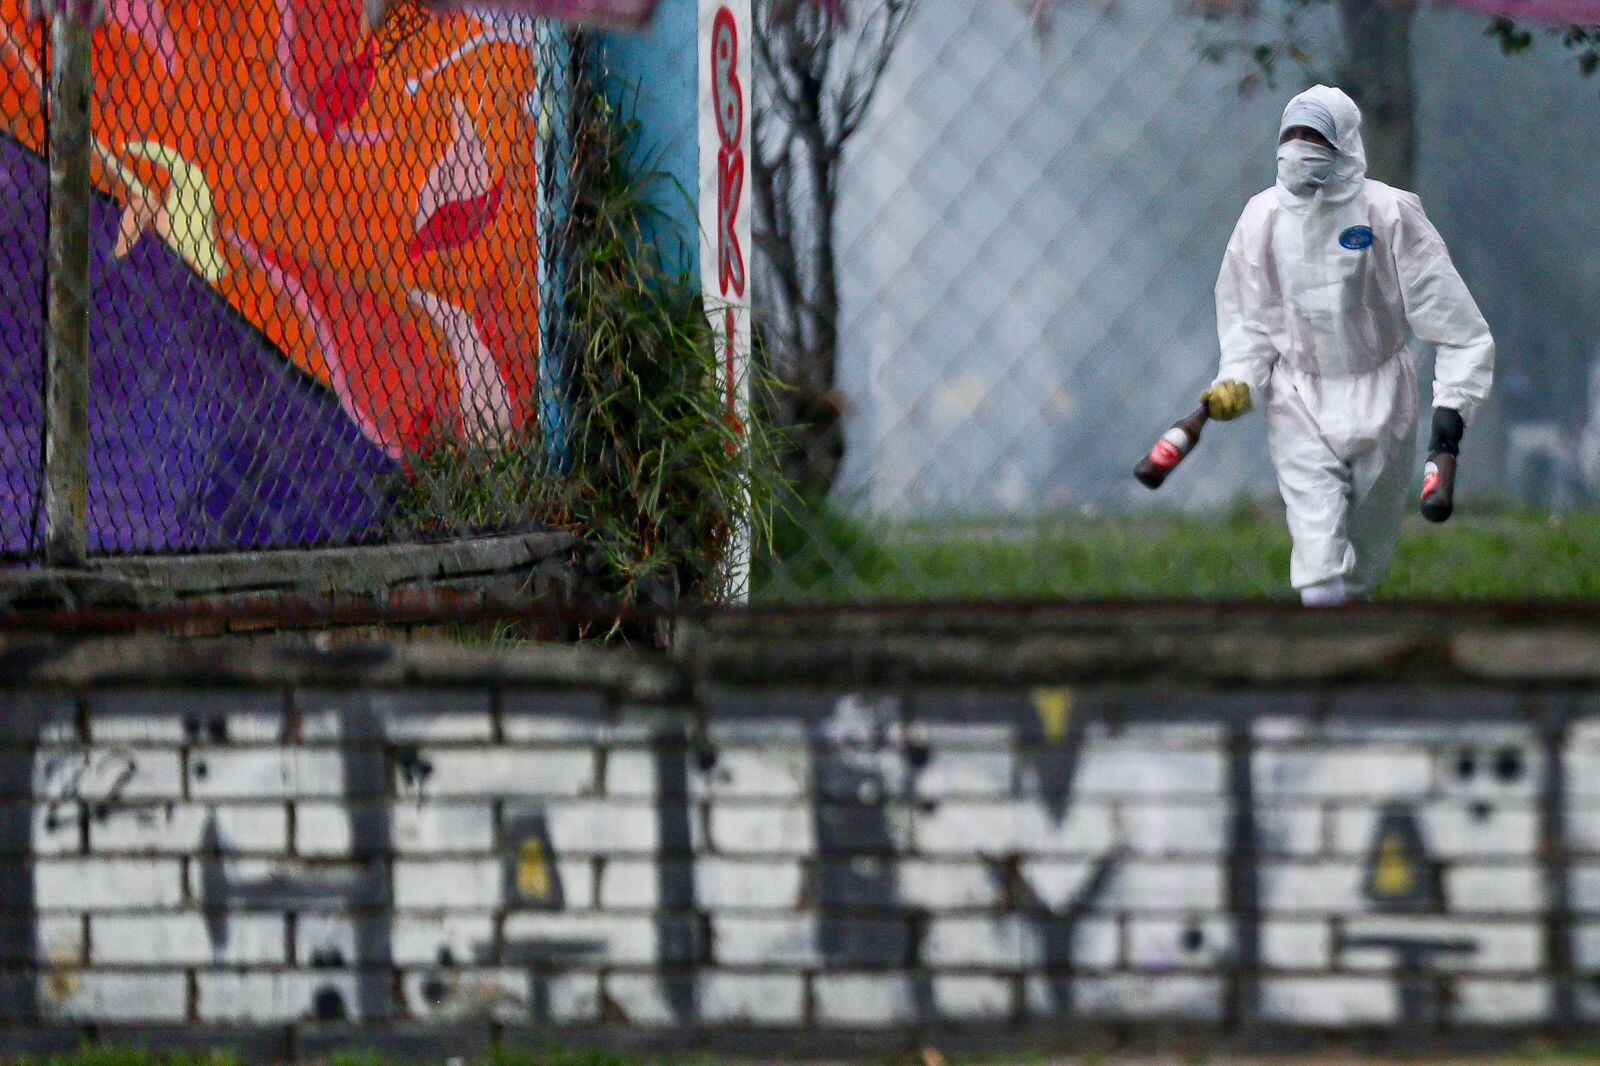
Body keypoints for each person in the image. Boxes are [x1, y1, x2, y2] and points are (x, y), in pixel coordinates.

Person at [1204, 85, 1495, 607]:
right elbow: (1248, 318)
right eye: (1289, 135)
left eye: (1313, 136)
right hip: (1299, 395)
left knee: (1364, 557)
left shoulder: (1390, 214)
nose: (1298, 148)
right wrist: (1239, 379)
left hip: (1382, 394)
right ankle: (1322, 650)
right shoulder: (1261, 218)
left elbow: (1457, 327)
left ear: (1344, 144)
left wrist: (1452, 412)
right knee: (1317, 552)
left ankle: (1350, 655)